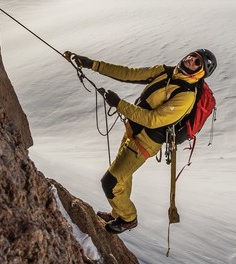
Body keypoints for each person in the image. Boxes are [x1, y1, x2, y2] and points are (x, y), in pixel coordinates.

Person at [72, 49, 217, 234]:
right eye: (192, 55)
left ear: (202, 72)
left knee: (110, 182)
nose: (191, 60)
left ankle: (128, 218)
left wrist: (119, 104)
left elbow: (153, 120)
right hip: (133, 132)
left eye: (198, 62)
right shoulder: (167, 71)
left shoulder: (187, 95)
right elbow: (130, 74)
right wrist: (92, 64)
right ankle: (118, 211)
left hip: (145, 142)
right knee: (123, 177)